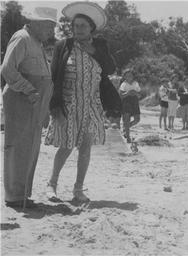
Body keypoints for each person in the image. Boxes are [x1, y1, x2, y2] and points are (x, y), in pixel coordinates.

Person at [45, 2, 116, 202]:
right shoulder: (63, 45)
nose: (78, 30)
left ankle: (78, 190)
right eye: (75, 26)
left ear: (91, 28)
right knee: (67, 145)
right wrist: (54, 106)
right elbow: (54, 77)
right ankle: (52, 184)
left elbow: (110, 69)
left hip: (93, 104)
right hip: (68, 103)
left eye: (83, 26)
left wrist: (93, 50)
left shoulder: (100, 45)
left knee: (85, 147)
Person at [1, 7, 57, 208]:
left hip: (33, 102)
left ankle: (22, 193)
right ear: (37, 23)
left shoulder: (36, 42)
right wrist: (28, 90)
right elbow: (7, 69)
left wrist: (45, 108)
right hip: (22, 100)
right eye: (49, 27)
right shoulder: (22, 38)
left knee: (30, 147)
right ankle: (15, 196)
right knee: (18, 146)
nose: (51, 32)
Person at [119, 69, 141, 143]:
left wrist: (135, 93)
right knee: (126, 119)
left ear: (133, 76)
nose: (129, 77)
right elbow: (121, 96)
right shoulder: (123, 84)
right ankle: (128, 137)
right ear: (124, 76)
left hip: (135, 101)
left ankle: (126, 128)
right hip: (126, 101)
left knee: (137, 119)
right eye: (127, 75)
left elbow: (139, 95)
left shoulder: (136, 83)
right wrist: (128, 93)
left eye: (131, 75)